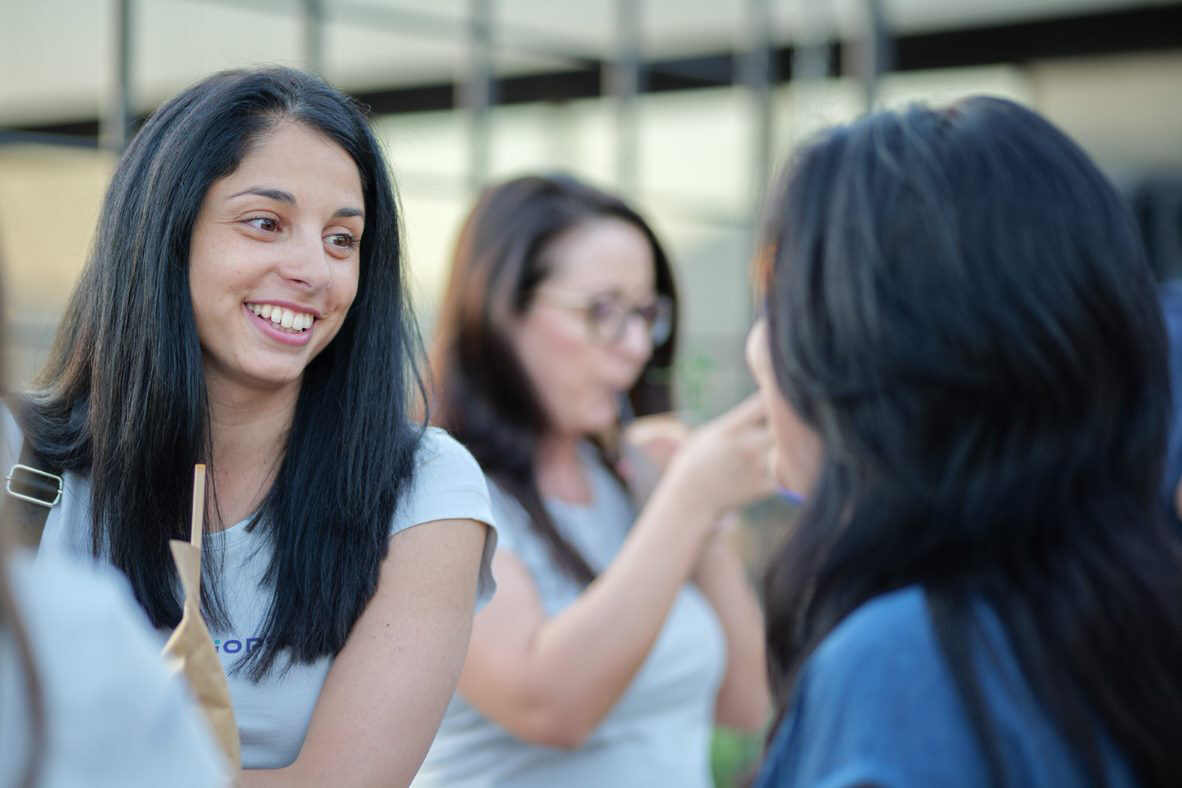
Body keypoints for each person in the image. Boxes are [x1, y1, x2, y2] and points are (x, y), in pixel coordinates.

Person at [4, 67, 497, 785]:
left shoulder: (423, 486)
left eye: (341, 239)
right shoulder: (17, 459)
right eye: (265, 223)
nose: (311, 270)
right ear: (166, 235)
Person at [747, 97, 1182, 786]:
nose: (757, 350)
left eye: (780, 307)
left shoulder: (907, 665)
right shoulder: (1132, 611)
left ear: (870, 365)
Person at [418, 173, 772, 787]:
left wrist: (699, 518)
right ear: (501, 312)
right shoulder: (432, 488)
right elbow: (548, 705)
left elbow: (746, 702)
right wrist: (687, 504)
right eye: (603, 312)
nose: (636, 347)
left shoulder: (624, 482)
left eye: (646, 314)